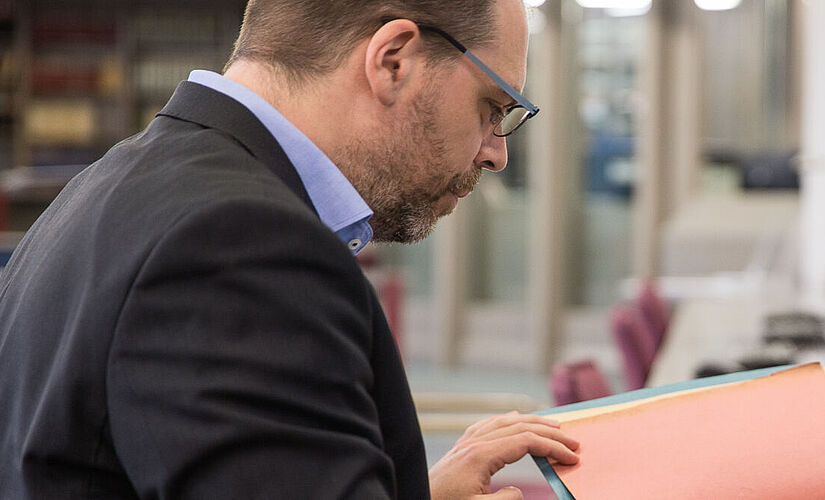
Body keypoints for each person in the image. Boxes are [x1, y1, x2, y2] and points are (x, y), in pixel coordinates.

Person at [0, 0, 579, 498]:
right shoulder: (242, 247)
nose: (495, 154)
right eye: (492, 108)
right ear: (393, 60)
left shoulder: (111, 186)